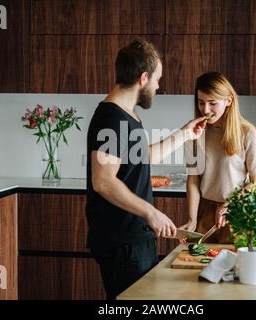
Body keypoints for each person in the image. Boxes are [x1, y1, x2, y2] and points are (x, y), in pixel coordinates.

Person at [86, 39, 207, 300]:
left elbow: (142, 157)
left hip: (133, 238)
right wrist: (151, 213)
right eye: (157, 79)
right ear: (143, 78)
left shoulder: (126, 114)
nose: (158, 86)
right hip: (123, 242)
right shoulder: (112, 118)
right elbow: (103, 181)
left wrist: (184, 134)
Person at [181, 72, 256, 243]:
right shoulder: (193, 132)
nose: (205, 110)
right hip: (204, 211)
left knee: (236, 267)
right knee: (197, 266)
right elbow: (193, 179)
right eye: (201, 102)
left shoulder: (247, 133)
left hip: (237, 211)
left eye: (212, 103)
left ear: (228, 101)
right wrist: (192, 219)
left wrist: (233, 203)